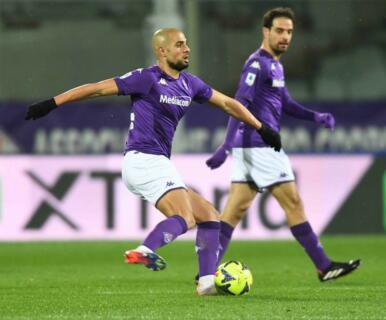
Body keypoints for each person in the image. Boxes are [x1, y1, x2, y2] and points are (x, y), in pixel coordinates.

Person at [25, 28, 282, 295]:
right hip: (144, 159)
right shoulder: (146, 78)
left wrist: (261, 127)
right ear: (162, 51)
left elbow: (228, 104)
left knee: (208, 215)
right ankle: (145, 249)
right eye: (179, 45)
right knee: (184, 216)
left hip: (154, 162)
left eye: (187, 44)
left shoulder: (189, 83)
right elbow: (96, 89)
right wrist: (52, 103)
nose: (187, 49)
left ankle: (206, 283)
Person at [205, 7, 360, 282]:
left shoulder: (276, 65)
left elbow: (284, 102)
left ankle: (207, 271)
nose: (285, 36)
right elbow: (238, 104)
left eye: (289, 32)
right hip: (260, 145)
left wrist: (315, 116)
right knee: (294, 203)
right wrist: (225, 146)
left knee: (235, 208)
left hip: (251, 147)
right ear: (265, 31)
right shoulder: (257, 64)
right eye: (279, 31)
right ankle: (323, 266)